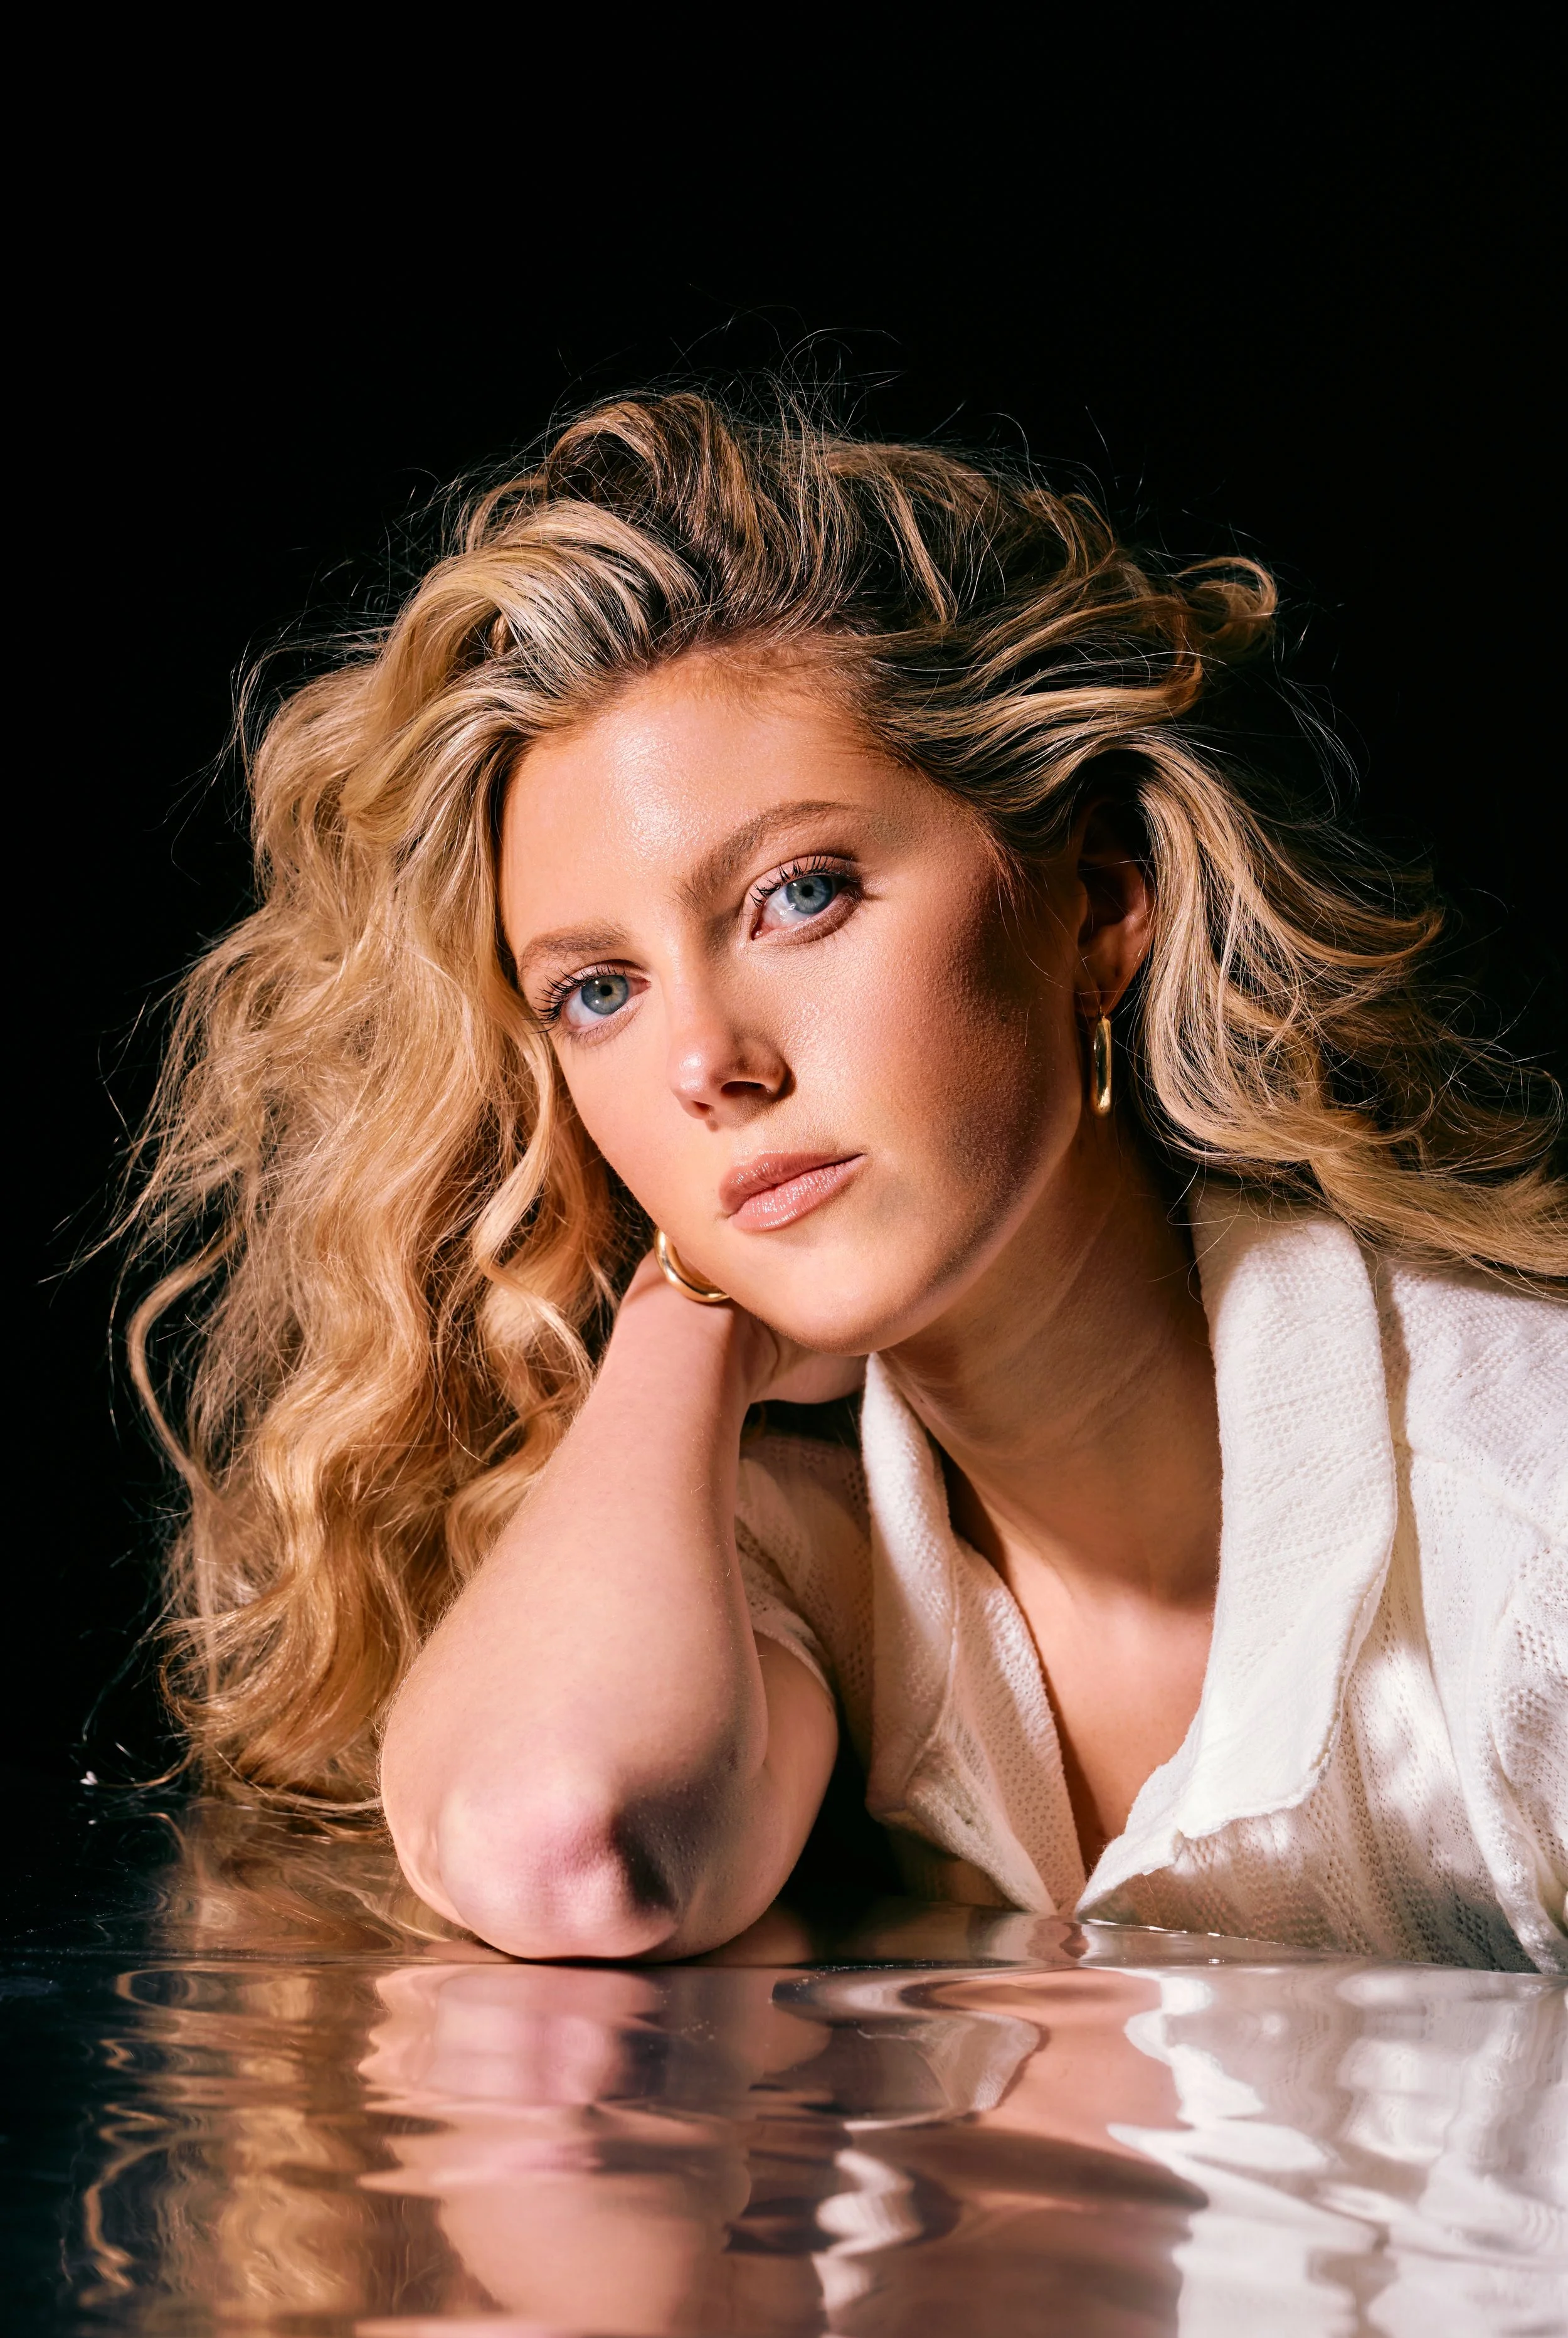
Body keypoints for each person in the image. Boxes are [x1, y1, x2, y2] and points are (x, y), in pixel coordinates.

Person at [125, 389, 1567, 1970]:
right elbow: (560, 1842)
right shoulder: (795, 1536)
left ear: (1091, 903)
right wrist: (691, 1310)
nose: (707, 1066)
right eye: (596, 991)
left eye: (797, 897)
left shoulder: (1522, 1534)